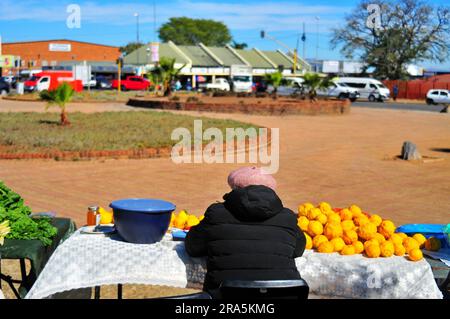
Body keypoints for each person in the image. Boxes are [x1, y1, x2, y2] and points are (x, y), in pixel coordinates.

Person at [185, 167, 306, 296]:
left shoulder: (216, 213)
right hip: (284, 295)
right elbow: (298, 249)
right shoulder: (287, 217)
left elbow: (193, 247)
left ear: (235, 188)